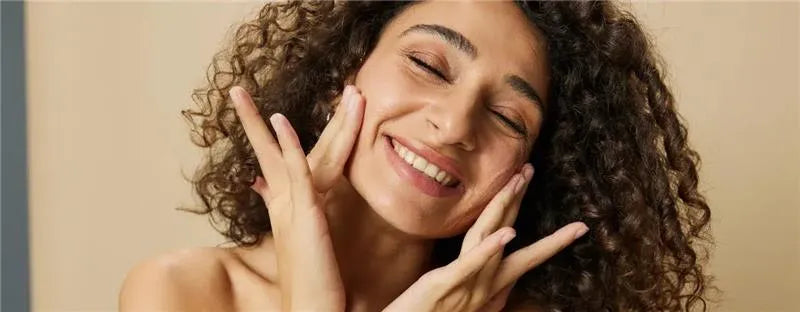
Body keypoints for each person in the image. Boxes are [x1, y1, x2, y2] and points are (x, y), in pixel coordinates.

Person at [120, 1, 713, 311]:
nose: (455, 125)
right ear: (340, 72)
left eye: (509, 118)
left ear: (534, 172)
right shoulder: (186, 293)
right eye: (428, 66)